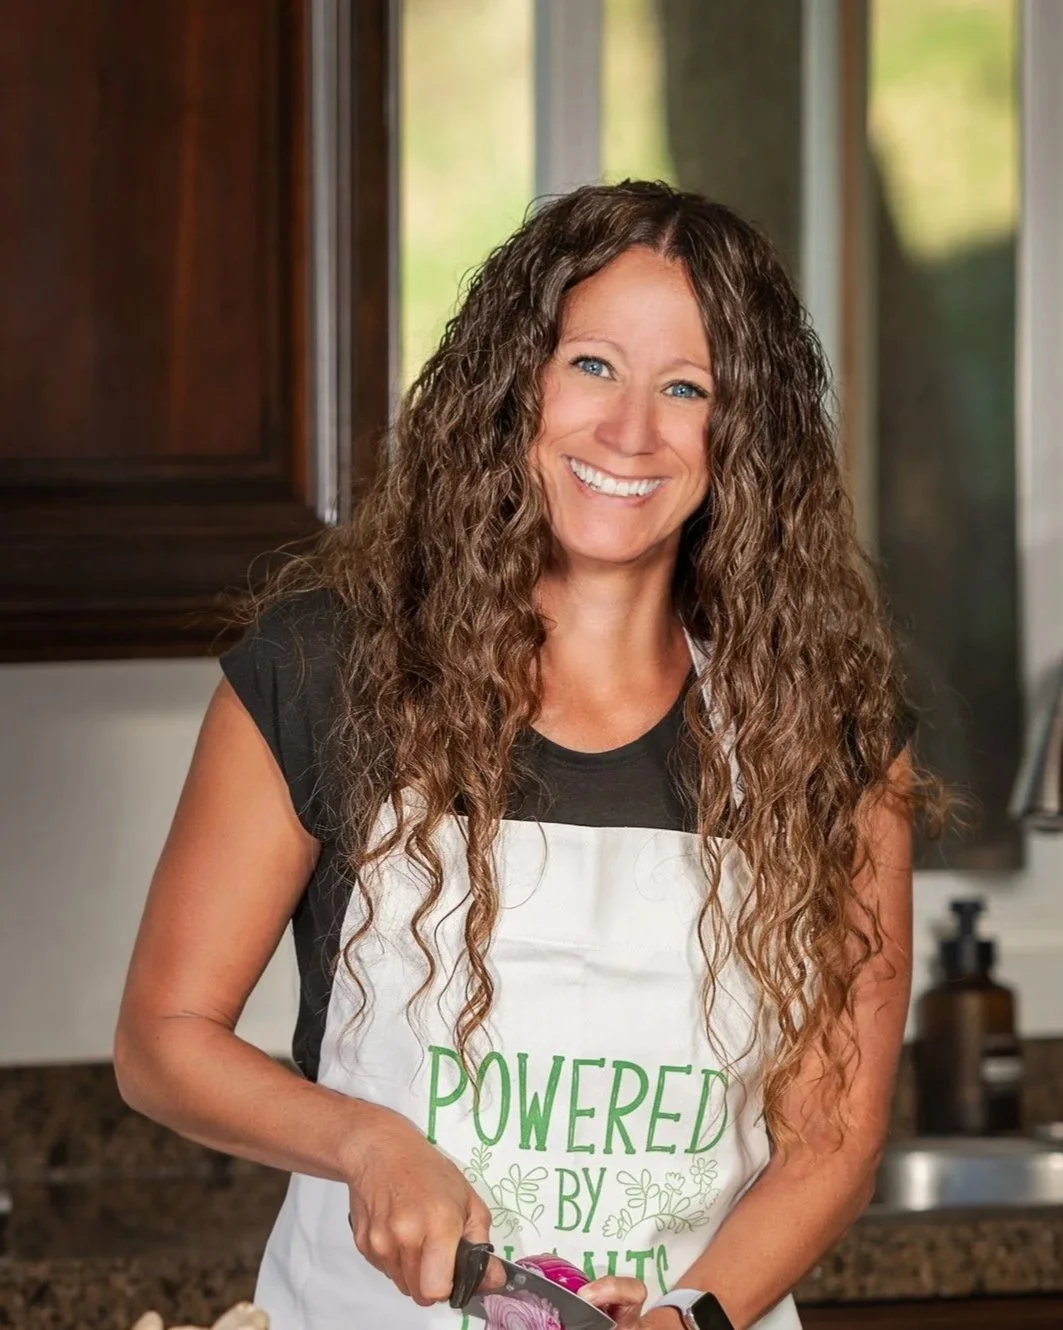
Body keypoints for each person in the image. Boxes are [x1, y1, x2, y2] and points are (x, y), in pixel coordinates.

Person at [115, 181, 938, 1330]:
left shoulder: (824, 726)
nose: (631, 432)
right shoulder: (327, 669)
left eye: (688, 388)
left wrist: (684, 1317)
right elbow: (162, 1039)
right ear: (517, 384)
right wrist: (364, 1141)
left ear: (741, 436)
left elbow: (832, 1140)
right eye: (591, 365)